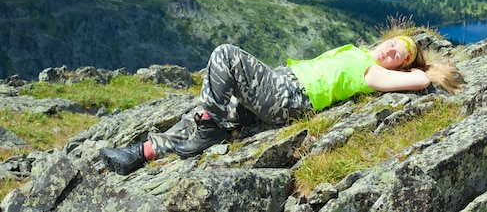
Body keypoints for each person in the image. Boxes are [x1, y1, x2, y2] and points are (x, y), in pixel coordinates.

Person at [100, 35, 464, 175]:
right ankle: (139, 153)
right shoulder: (358, 52)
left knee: (225, 55)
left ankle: (208, 125)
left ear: (399, 67)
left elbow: (418, 80)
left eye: (399, 55)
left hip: (289, 98)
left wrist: (427, 70)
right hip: (280, 87)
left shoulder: (372, 73)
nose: (392, 51)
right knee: (201, 111)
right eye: (395, 44)